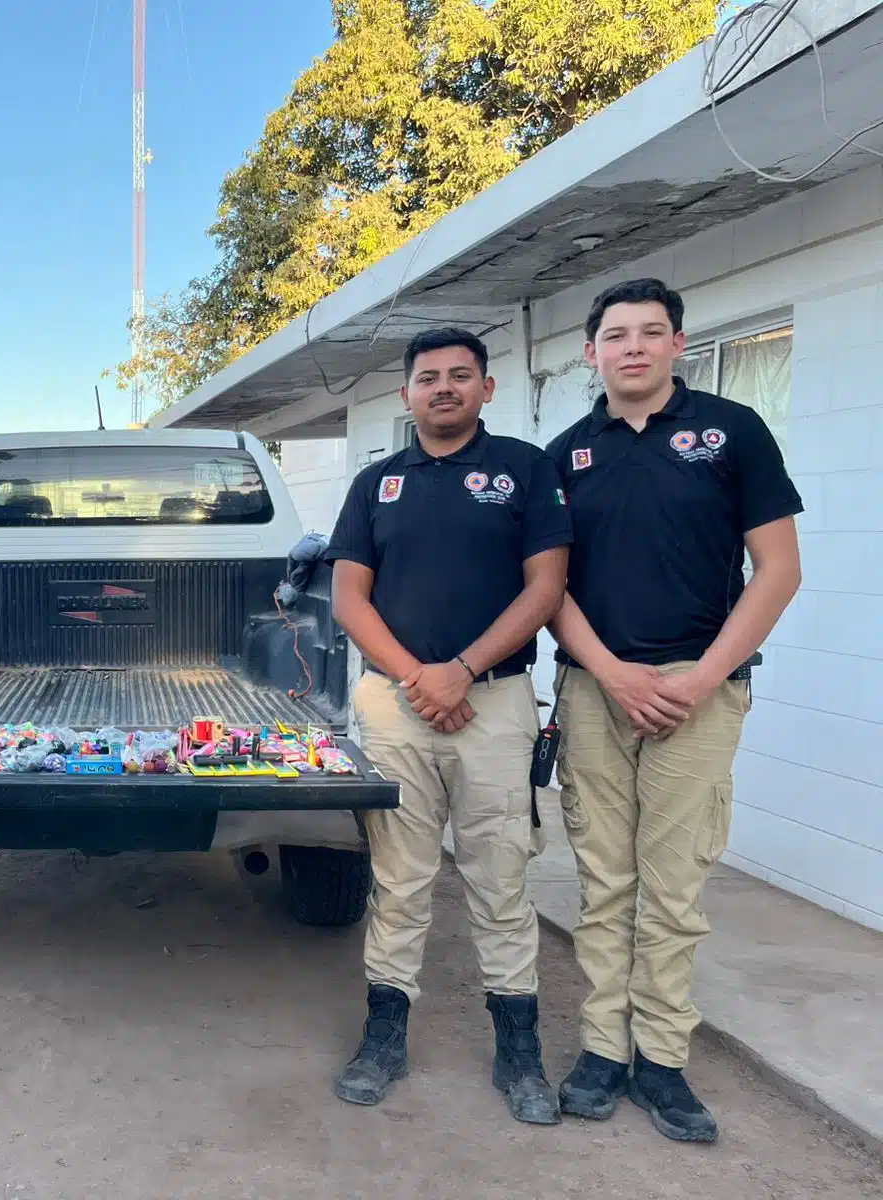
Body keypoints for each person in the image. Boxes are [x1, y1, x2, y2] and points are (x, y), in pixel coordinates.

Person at [545, 279, 802, 1143]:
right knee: (605, 883)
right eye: (615, 335)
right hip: (596, 692)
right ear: (591, 354)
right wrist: (612, 673)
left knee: (674, 886)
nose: (633, 348)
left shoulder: (733, 433)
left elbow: (777, 570)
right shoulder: (567, 454)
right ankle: (601, 1053)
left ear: (678, 345)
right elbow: (549, 589)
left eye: (651, 333)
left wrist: (700, 678)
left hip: (702, 693)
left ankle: (661, 1061)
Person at [325, 327, 573, 1125]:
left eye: (459, 376)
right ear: (406, 395)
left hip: (493, 702)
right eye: (427, 377)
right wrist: (417, 677)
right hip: (397, 706)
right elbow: (350, 599)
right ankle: (384, 1038)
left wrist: (460, 670)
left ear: (486, 389)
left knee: (501, 880)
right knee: (400, 880)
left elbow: (546, 588)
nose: (443, 388)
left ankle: (520, 1053)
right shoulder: (377, 485)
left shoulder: (525, 472)